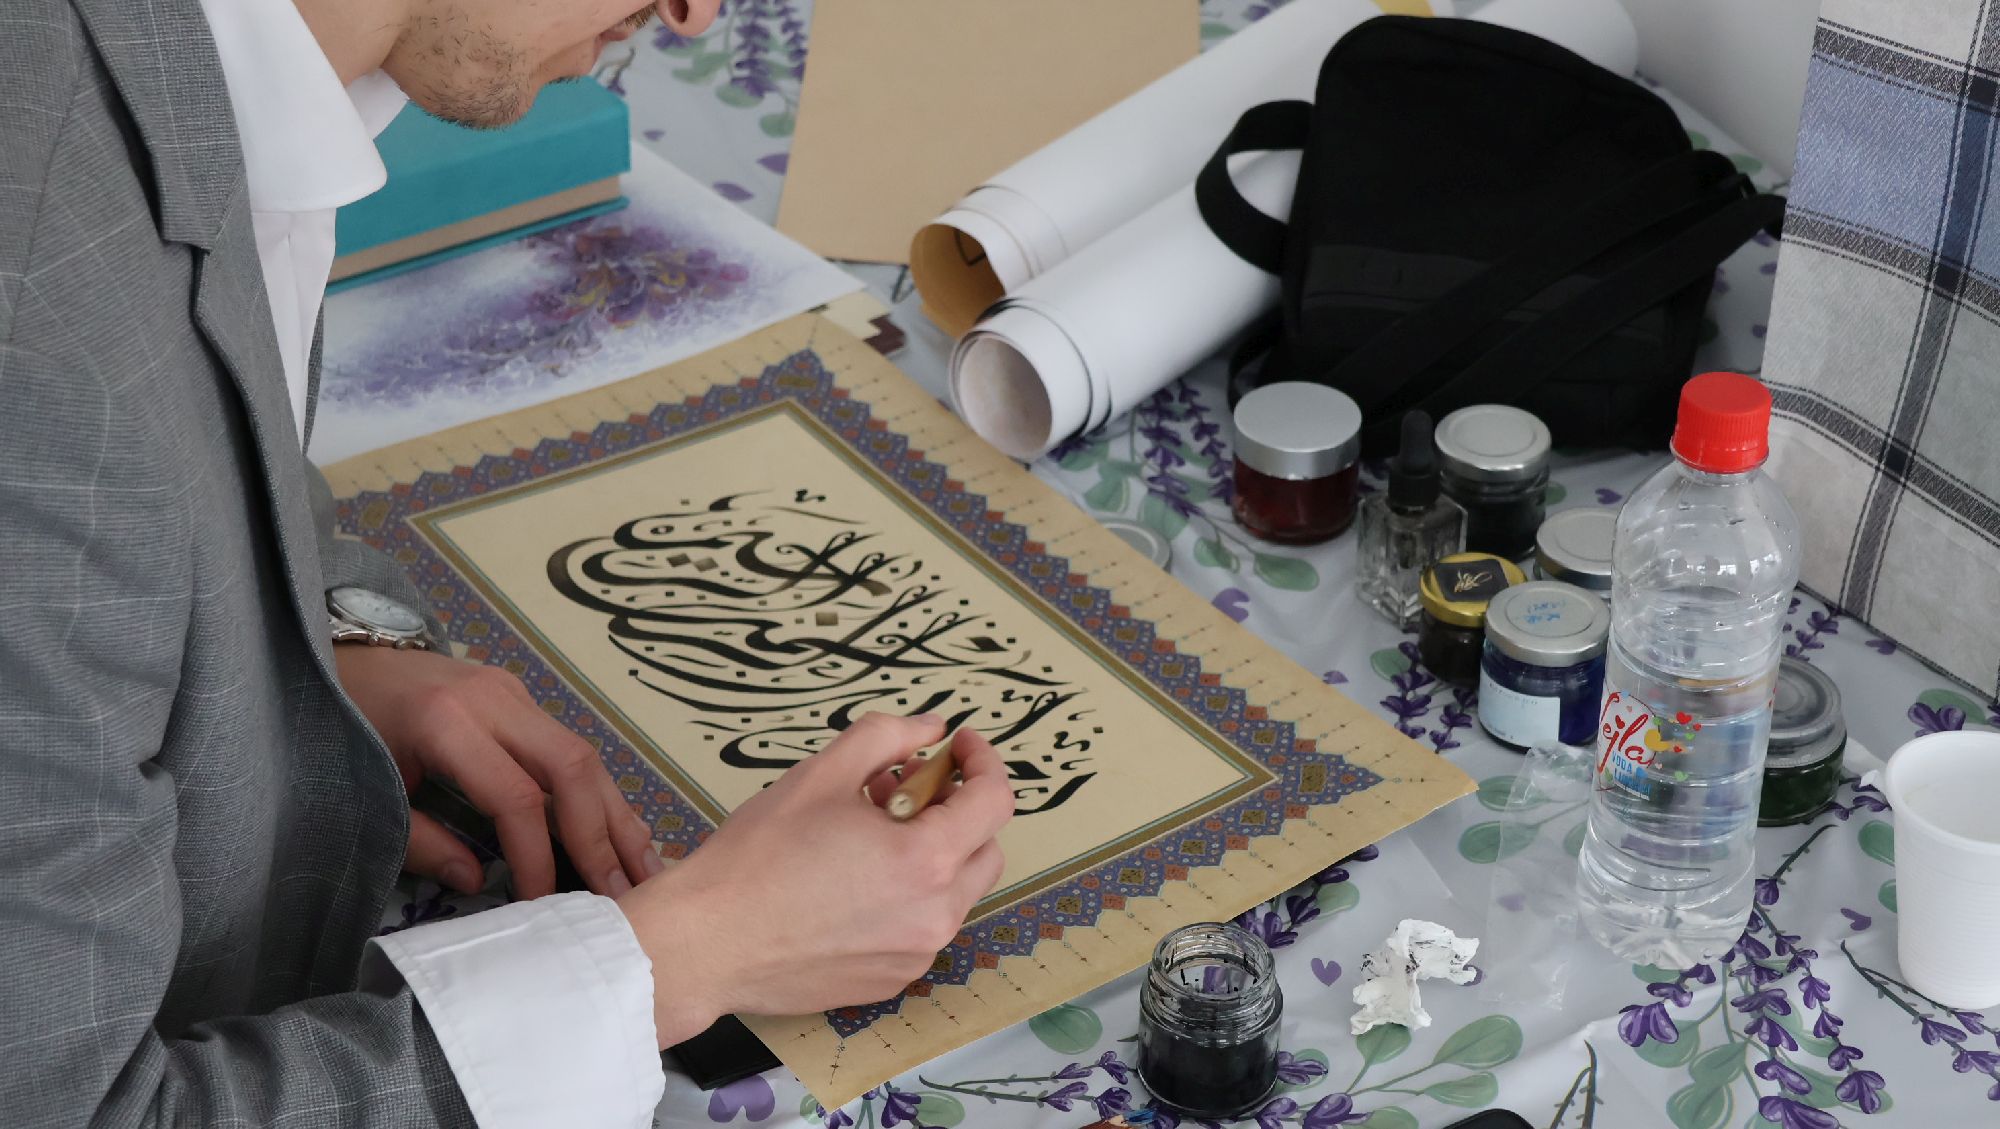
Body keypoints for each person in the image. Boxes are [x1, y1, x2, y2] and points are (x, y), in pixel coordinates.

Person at [0, 1, 1014, 1126]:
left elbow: (181, 446)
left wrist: (329, 644)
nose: (698, 16)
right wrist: (683, 959)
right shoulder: (38, 349)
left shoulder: (205, 76)